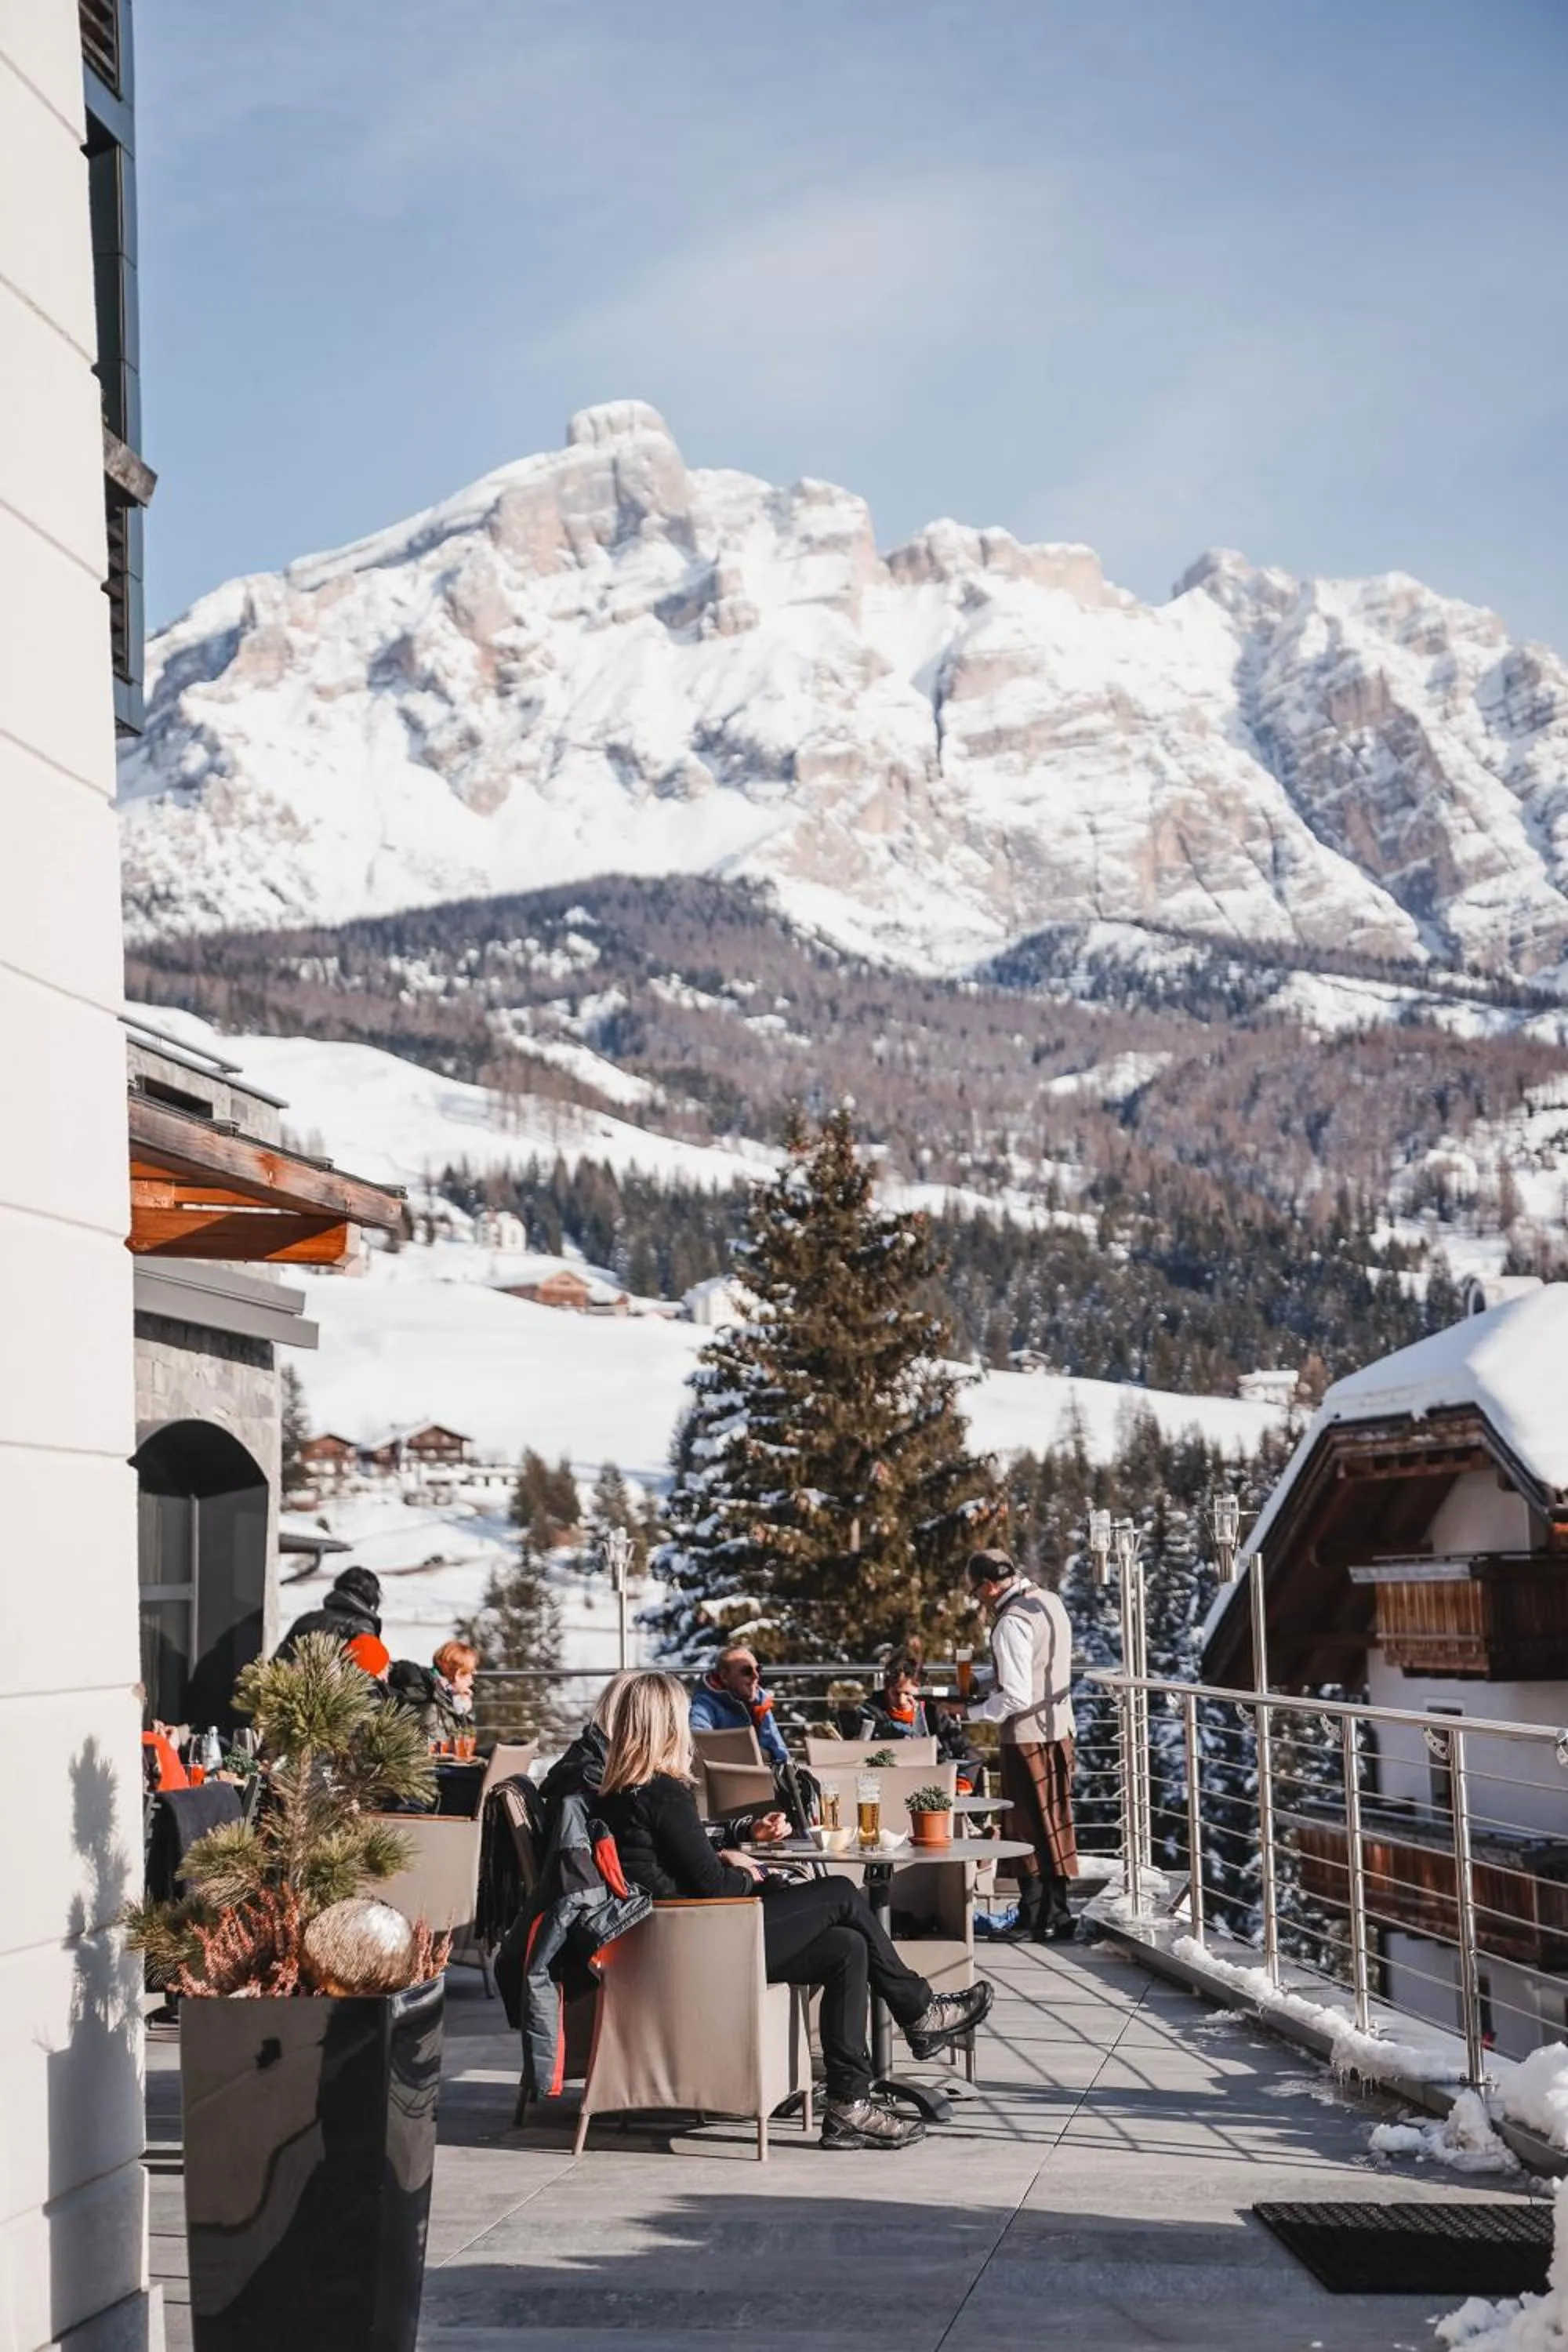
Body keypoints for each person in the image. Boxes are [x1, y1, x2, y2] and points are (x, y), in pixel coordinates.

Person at [595, 1671, 994, 2151]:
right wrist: (750, 1873)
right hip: (705, 1940)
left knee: (845, 1947)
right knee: (841, 1894)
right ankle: (918, 2011)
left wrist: (729, 1855)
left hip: (679, 1939)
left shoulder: (623, 1792)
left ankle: (850, 2104)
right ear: (665, 1725)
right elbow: (714, 1886)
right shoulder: (664, 1792)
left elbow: (677, 1870)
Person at [960, 1549, 1078, 1942]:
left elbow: (1016, 1697)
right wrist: (981, 1680)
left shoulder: (1010, 1623)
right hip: (1060, 1731)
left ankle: (1032, 1919)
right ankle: (1059, 1915)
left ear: (990, 1586)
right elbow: (1028, 1666)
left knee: (1025, 1828)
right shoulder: (1049, 1602)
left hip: (1027, 1737)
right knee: (1055, 1823)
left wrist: (970, 1714)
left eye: (977, 1592)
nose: (979, 1599)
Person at [858, 1653, 982, 1790]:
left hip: (931, 1784)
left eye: (908, 1694)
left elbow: (969, 1750)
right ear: (887, 1689)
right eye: (895, 1693)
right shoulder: (869, 1712)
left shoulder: (933, 1714)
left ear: (921, 1692)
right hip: (885, 1784)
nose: (901, 1700)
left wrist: (963, 1780)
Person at [688, 1646, 790, 1767]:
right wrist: (755, 1755)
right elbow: (701, 1744)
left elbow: (777, 1747)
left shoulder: (760, 1700)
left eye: (758, 1669)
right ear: (725, 1677)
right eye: (747, 1671)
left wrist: (788, 1773)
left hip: (763, 1777)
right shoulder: (704, 1704)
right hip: (727, 1780)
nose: (756, 1676)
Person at [277, 1565, 383, 1661]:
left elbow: (276, 1665)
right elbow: (368, 1674)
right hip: (334, 1682)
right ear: (372, 1597)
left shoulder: (306, 1620)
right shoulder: (361, 1626)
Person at [388, 1639, 478, 1741]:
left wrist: (464, 1712)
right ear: (458, 1674)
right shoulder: (431, 1706)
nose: (471, 1681)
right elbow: (440, 1751)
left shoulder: (445, 1699)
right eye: (470, 1673)